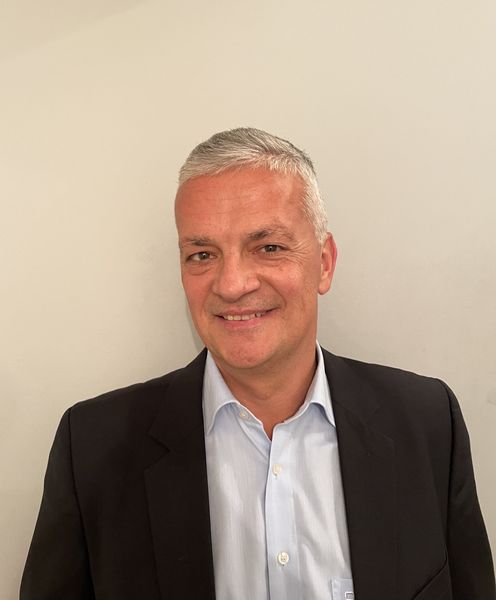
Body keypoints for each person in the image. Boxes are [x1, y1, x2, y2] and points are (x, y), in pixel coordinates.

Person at [21, 128, 495, 600]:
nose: (232, 284)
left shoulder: (427, 424)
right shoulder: (93, 449)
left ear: (325, 263)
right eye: (202, 254)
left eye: (268, 247)